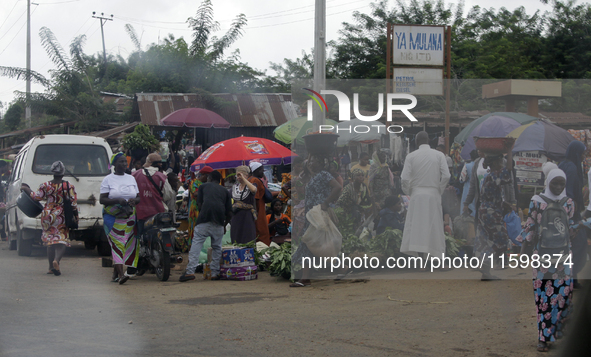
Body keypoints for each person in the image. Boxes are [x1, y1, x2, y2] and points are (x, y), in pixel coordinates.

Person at [519, 169, 574, 352]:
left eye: (561, 184)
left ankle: (548, 336)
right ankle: (545, 336)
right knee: (551, 296)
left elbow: (530, 227)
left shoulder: (539, 202)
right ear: (548, 181)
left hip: (551, 258)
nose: (558, 187)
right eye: (555, 183)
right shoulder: (567, 202)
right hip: (558, 257)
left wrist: (524, 248)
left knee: (553, 296)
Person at [291, 153, 342, 287]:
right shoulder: (313, 176)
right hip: (311, 214)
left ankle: (306, 277)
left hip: (318, 213)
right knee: (313, 242)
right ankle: (306, 277)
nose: (309, 163)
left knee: (312, 242)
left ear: (320, 163)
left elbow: (338, 187)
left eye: (312, 160)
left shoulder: (324, 175)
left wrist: (326, 202)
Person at [20, 161, 78, 276]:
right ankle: (56, 260)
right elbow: (73, 204)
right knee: (61, 240)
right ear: (63, 173)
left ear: (52, 172)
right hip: (62, 216)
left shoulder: (45, 185)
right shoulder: (68, 186)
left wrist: (26, 189)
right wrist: (76, 217)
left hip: (47, 215)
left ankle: (51, 267)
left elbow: (36, 197)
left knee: (50, 240)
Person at [400, 131, 450, 259]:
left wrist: (409, 191)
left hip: (416, 195)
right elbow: (446, 175)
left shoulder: (411, 156)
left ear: (416, 142)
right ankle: (439, 261)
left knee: (417, 227)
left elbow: (404, 179)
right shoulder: (439, 155)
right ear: (429, 140)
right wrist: (439, 189)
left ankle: (422, 263)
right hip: (433, 194)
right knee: (435, 226)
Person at [468, 149, 516, 280]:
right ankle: (484, 264)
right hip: (491, 213)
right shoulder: (495, 175)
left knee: (485, 240)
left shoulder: (490, 176)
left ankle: (485, 270)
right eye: (501, 160)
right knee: (500, 239)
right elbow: (509, 171)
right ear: (496, 162)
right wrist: (509, 151)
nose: (503, 163)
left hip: (485, 211)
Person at [180, 170, 232, 282]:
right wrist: (224, 225)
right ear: (219, 180)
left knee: (196, 245)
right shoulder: (225, 191)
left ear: (209, 178)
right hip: (219, 221)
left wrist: (203, 214)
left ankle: (190, 272)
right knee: (217, 247)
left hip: (204, 220)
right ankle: (215, 273)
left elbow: (199, 204)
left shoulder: (203, 187)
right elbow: (229, 212)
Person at [100, 153, 140, 285]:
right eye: (121, 162)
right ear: (115, 165)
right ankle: (122, 275)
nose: (124, 164)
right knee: (117, 245)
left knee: (126, 244)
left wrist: (134, 201)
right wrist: (117, 200)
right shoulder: (108, 179)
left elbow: (138, 197)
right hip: (113, 217)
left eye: (125, 162)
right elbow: (102, 199)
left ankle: (114, 275)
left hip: (129, 216)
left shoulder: (131, 178)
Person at [558, 140, 587, 285]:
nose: (584, 156)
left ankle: (571, 277)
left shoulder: (564, 164)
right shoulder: (571, 168)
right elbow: (568, 192)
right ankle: (571, 277)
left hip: (563, 211)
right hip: (570, 212)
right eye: (582, 153)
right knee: (578, 244)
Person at [132, 153, 175, 236]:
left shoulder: (135, 175)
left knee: (140, 238)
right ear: (159, 164)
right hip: (157, 214)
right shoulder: (162, 177)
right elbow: (168, 195)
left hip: (140, 214)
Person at [334, 168, 372, 237]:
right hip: (347, 212)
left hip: (357, 211)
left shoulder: (363, 187)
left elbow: (366, 200)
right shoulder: (348, 188)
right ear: (353, 177)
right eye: (358, 175)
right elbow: (339, 203)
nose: (361, 177)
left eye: (362, 175)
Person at [230, 165, 258, 244]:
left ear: (247, 175)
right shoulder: (234, 187)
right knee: (236, 237)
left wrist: (244, 179)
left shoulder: (252, 185)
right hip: (236, 216)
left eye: (241, 174)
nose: (239, 177)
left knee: (248, 237)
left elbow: (253, 190)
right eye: (237, 175)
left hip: (247, 216)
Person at [188, 166, 213, 246]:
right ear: (204, 176)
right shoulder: (194, 182)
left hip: (205, 208)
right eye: (208, 177)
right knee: (196, 227)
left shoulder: (206, 184)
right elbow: (195, 193)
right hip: (195, 208)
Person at [249, 162, 271, 246]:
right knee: (262, 232)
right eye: (261, 170)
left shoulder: (251, 179)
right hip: (259, 210)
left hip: (258, 209)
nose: (262, 172)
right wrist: (255, 212)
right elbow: (255, 197)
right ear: (256, 170)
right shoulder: (255, 180)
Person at [460, 150, 480, 217]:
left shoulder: (467, 166)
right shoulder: (481, 165)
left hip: (468, 189)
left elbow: (462, 179)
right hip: (479, 189)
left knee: (467, 210)